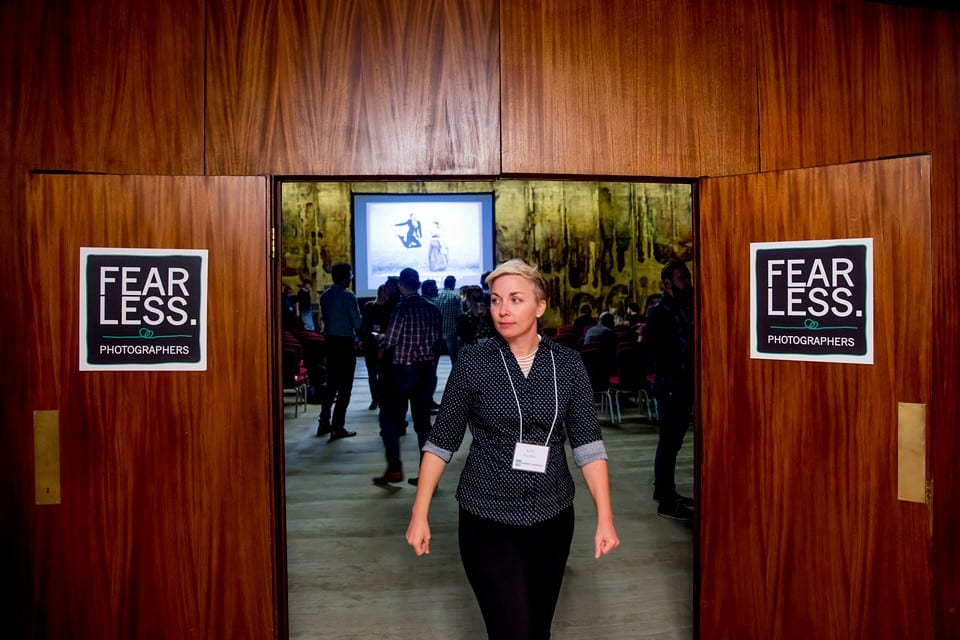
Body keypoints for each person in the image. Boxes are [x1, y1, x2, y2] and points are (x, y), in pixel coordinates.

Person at [405, 258, 620, 640]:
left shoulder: (567, 364)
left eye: (515, 299)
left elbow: (588, 444)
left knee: (538, 630)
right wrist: (419, 513)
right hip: (487, 517)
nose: (502, 310)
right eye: (496, 300)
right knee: (512, 631)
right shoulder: (473, 362)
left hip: (553, 516)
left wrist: (605, 517)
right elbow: (441, 442)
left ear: (539, 306)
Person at [373, 267, 442, 486]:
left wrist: (379, 339)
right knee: (423, 424)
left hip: (403, 370)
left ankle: (394, 468)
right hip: (426, 370)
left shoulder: (401, 308)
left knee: (389, 419)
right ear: (419, 284)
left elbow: (391, 340)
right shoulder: (433, 308)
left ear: (401, 285)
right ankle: (428, 475)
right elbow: (436, 339)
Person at [644, 261, 695, 520]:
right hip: (670, 384)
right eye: (682, 279)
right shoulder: (659, 312)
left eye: (687, 277)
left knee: (674, 443)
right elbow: (658, 351)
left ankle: (665, 490)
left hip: (683, 383)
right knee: (668, 442)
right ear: (667, 283)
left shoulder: (685, 308)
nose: (687, 283)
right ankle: (665, 499)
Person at [316, 263, 361, 440]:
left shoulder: (325, 296)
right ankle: (338, 426)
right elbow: (356, 322)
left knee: (331, 384)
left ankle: (324, 422)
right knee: (345, 387)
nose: (351, 277)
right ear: (345, 277)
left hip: (330, 342)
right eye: (350, 275)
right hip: (345, 343)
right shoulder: (348, 296)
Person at [359, 284, 389, 410]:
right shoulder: (369, 306)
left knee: (383, 373)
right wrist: (364, 338)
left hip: (384, 343)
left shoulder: (390, 308)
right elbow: (364, 324)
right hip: (370, 343)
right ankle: (374, 399)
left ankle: (383, 399)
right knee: (372, 373)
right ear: (381, 293)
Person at [435, 275, 461, 365]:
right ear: (453, 284)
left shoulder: (437, 294)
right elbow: (460, 314)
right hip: (451, 330)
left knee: (435, 359)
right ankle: (456, 374)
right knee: (454, 359)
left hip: (437, 330)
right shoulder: (456, 296)